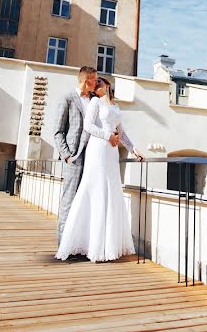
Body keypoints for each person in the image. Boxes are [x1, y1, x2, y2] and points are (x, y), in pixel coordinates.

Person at [56, 76, 144, 262]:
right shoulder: (95, 102)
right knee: (95, 190)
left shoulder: (116, 107)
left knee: (110, 192)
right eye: (95, 84)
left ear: (108, 85)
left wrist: (134, 150)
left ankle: (106, 245)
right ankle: (87, 244)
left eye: (99, 83)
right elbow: (88, 126)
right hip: (97, 149)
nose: (96, 86)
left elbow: (122, 132)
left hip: (111, 153)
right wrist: (106, 136)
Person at [52, 66, 117, 243]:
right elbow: (58, 131)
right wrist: (66, 155)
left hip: (93, 158)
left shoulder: (95, 100)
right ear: (85, 80)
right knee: (69, 202)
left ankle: (80, 244)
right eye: (94, 79)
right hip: (74, 158)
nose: (97, 83)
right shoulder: (67, 99)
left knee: (86, 203)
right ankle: (63, 244)